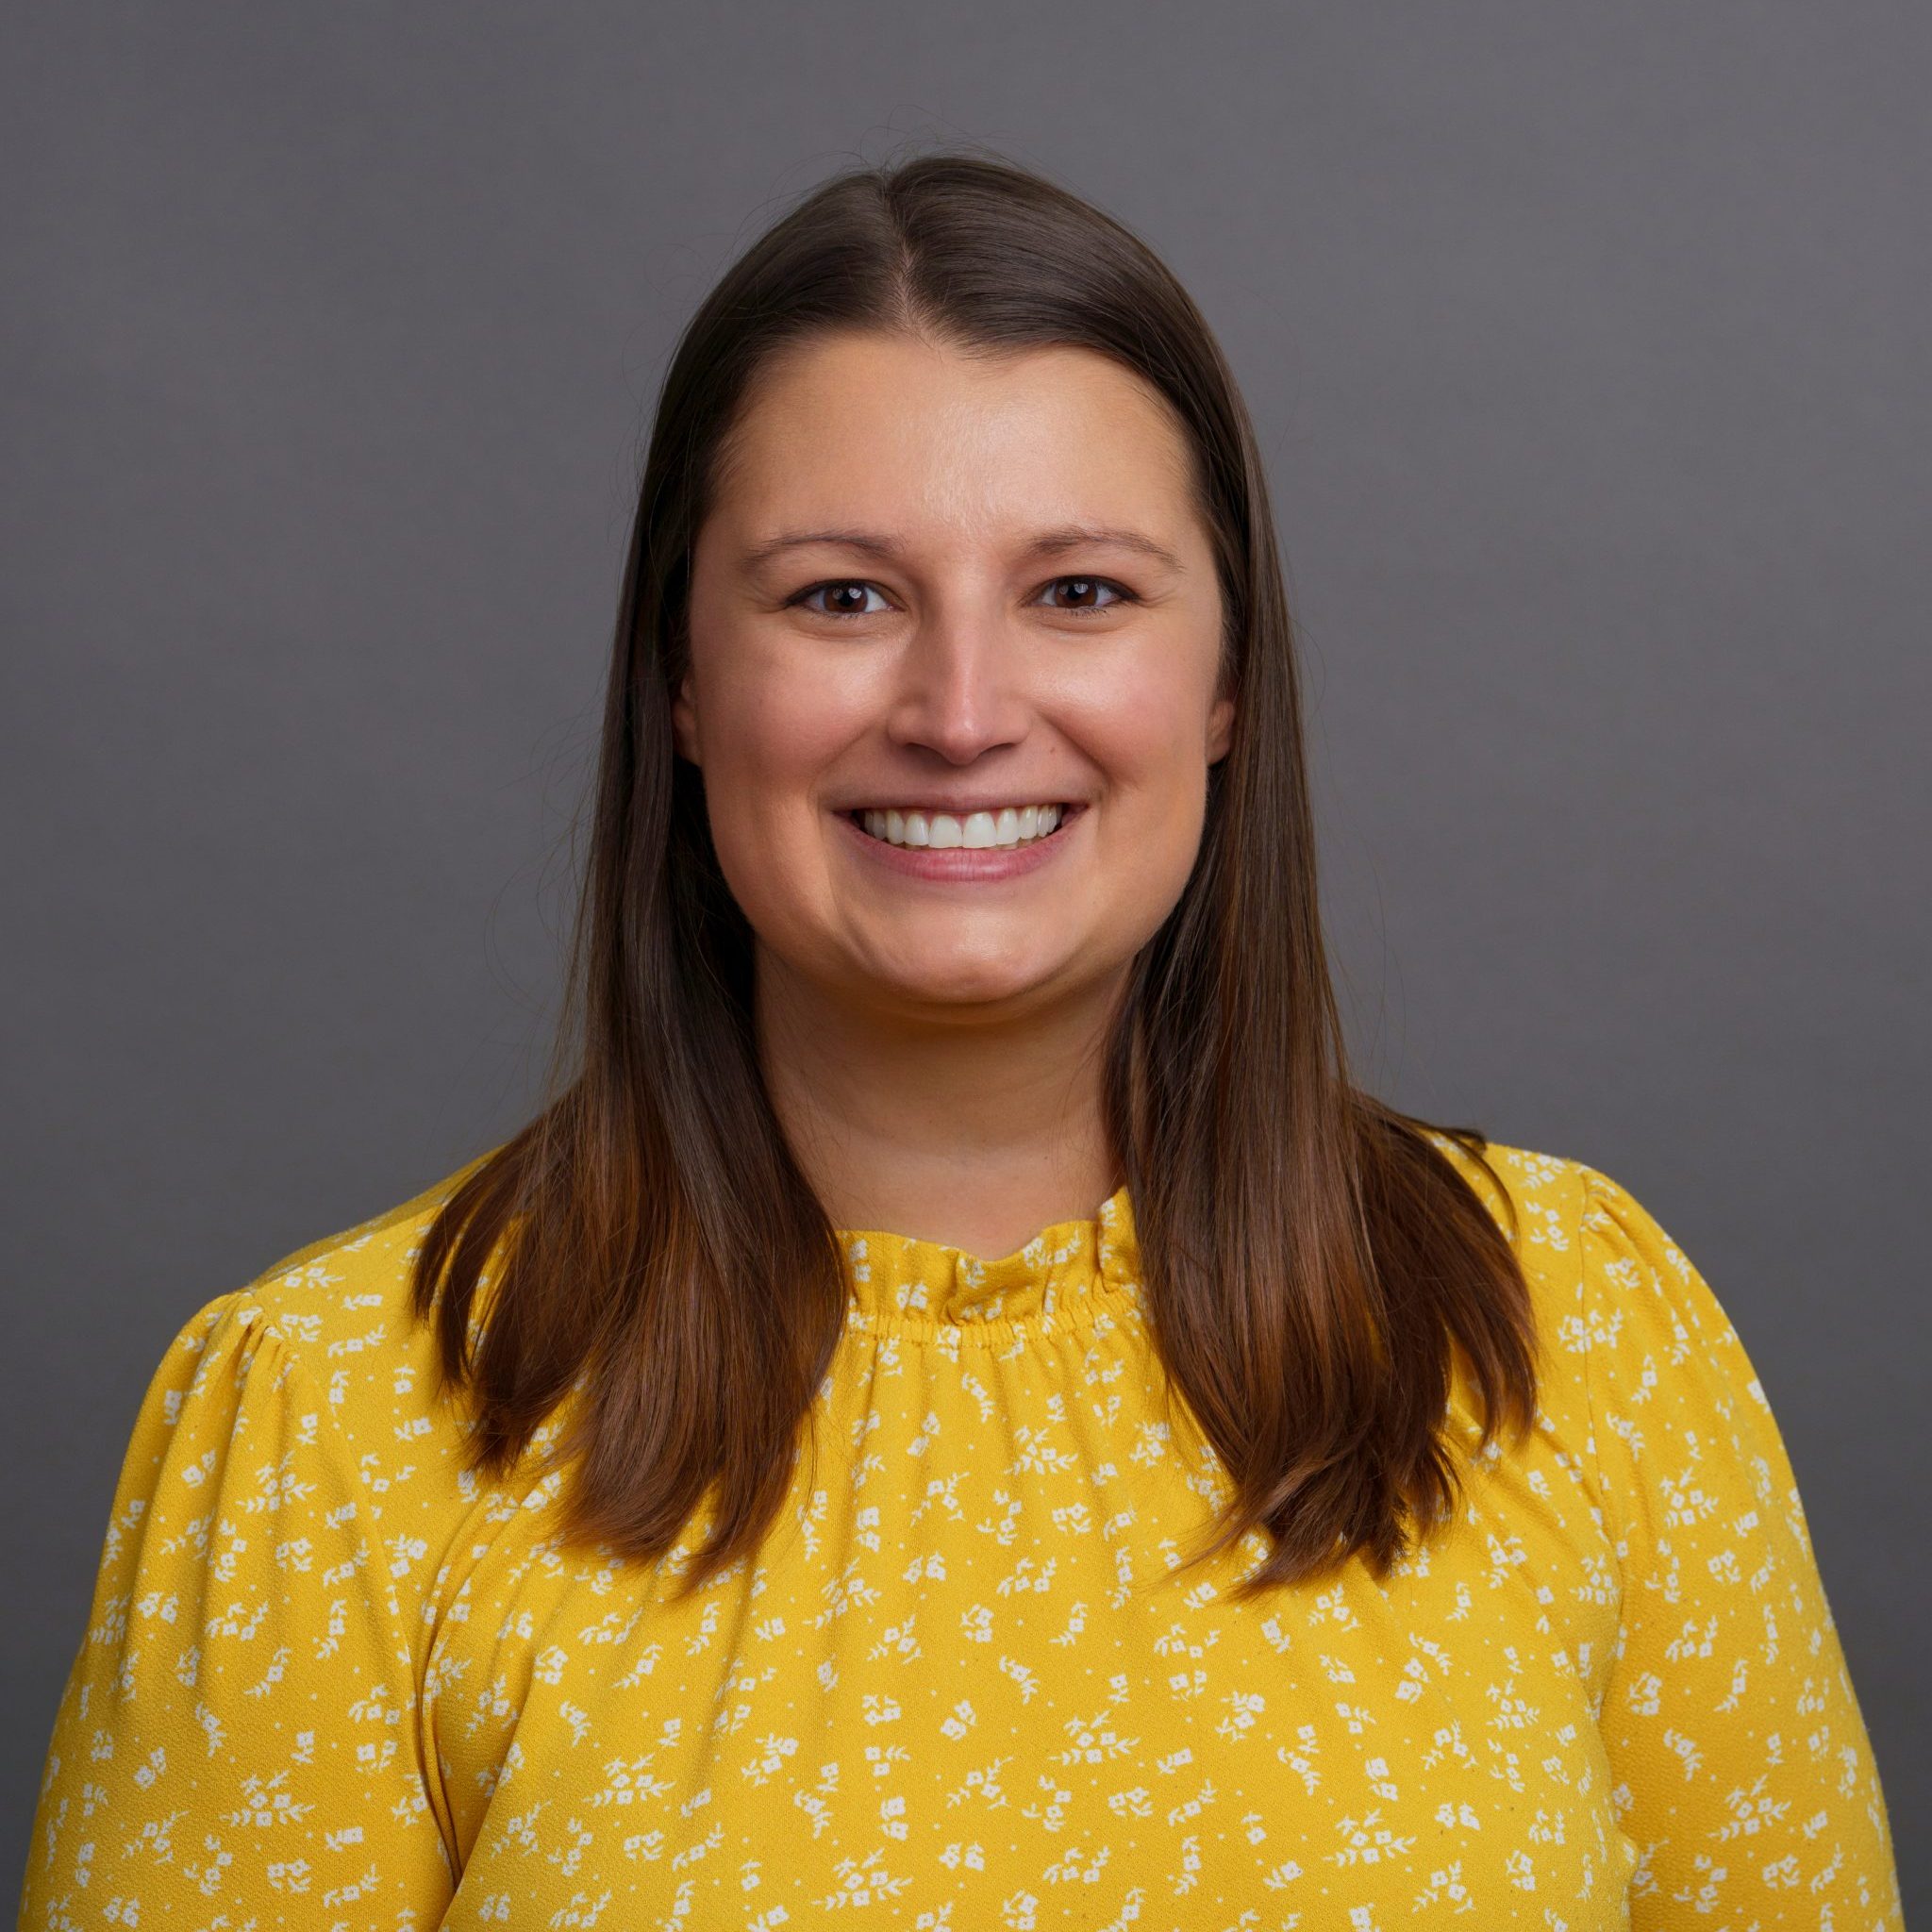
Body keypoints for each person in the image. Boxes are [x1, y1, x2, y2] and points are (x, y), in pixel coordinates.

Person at [19, 150, 1902, 1929]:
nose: (962, 708)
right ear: (682, 682)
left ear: (1227, 680)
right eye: (842, 596)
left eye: (1078, 592)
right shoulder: (327, 1421)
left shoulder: (1572, 1333)